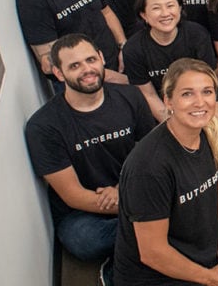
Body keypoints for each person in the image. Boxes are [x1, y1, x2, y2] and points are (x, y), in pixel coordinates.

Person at [114, 57, 218, 285]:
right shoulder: (148, 167)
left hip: (204, 254)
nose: (200, 102)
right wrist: (211, 278)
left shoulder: (208, 135)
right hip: (156, 274)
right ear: (168, 101)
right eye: (187, 94)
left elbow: (214, 196)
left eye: (207, 92)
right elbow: (153, 253)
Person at [24, 34, 155, 278]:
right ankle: (154, 233)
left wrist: (122, 191)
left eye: (91, 60)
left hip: (131, 190)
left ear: (102, 59)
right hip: (86, 212)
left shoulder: (130, 97)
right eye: (75, 66)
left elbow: (149, 154)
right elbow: (73, 196)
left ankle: (137, 244)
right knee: (85, 241)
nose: (87, 70)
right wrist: (134, 206)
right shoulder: (43, 126)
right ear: (59, 73)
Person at [125, 0, 216, 120]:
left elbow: (209, 84)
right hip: (165, 110)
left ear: (179, 8)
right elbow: (149, 95)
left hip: (202, 102)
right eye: (156, 8)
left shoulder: (197, 34)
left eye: (170, 6)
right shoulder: (133, 49)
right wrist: (176, 125)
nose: (165, 13)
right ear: (144, 15)